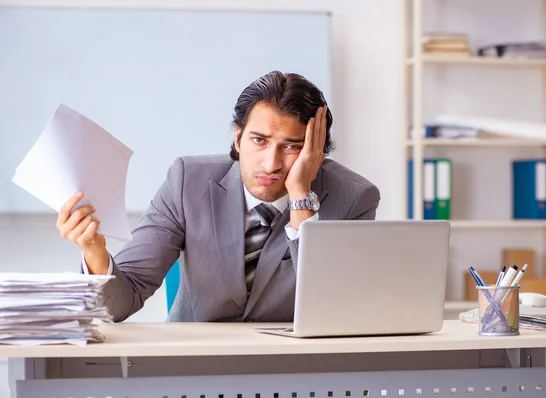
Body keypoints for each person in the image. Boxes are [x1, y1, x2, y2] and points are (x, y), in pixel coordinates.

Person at [55, 71, 381, 323]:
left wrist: (300, 195)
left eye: (292, 146)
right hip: (193, 372)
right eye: (259, 140)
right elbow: (121, 301)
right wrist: (95, 251)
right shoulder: (188, 181)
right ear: (238, 137)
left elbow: (333, 308)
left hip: (295, 376)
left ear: (315, 149)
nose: (271, 163)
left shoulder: (354, 198)